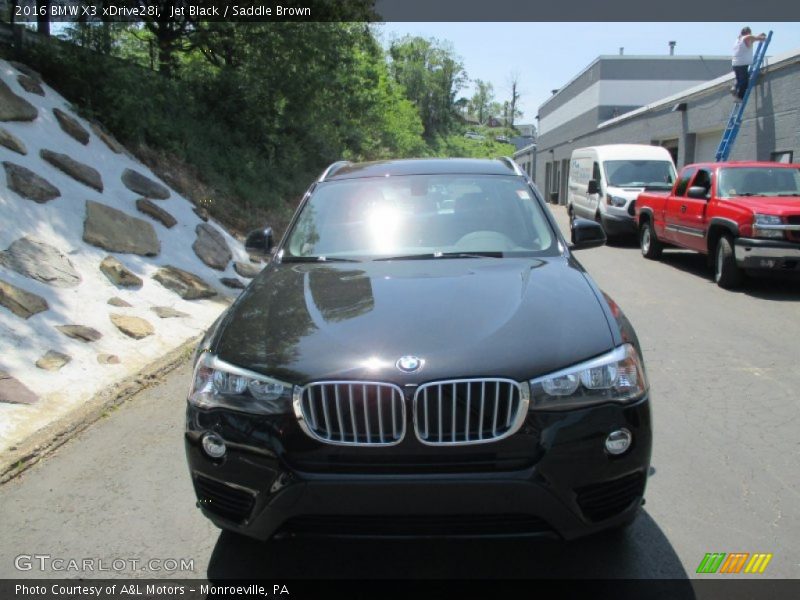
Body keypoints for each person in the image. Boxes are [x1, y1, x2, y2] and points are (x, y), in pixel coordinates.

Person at [731, 27, 767, 100]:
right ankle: (740, 98)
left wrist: (759, 36)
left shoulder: (738, 40)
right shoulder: (748, 37)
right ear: (748, 32)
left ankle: (734, 87)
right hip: (742, 64)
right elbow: (757, 38)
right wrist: (764, 38)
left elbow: (752, 40)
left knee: (739, 80)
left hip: (735, 64)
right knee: (745, 82)